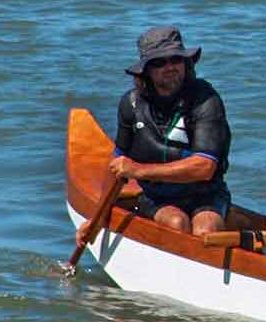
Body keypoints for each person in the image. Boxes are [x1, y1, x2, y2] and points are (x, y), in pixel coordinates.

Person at [76, 26, 231, 246]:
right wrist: (98, 218)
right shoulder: (130, 104)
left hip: (207, 195)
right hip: (157, 198)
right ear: (145, 70)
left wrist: (138, 170)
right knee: (177, 223)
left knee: (205, 230)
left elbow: (204, 167)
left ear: (186, 63)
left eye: (176, 60)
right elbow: (117, 165)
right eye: (160, 62)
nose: (170, 67)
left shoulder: (206, 100)